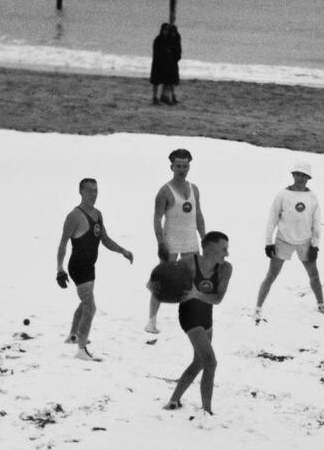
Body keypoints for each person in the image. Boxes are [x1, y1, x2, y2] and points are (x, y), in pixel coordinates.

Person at [55, 178, 133, 361]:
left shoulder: (98, 214)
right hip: (78, 267)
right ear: (80, 192)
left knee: (85, 301)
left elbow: (104, 239)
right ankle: (81, 350)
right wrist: (59, 268)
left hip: (90, 266)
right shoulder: (74, 215)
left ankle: (73, 336)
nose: (93, 194)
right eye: (89, 190)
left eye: (96, 190)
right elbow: (63, 242)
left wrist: (122, 250)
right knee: (90, 306)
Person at [157, 231, 232, 414]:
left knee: (199, 362)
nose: (227, 253)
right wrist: (156, 284)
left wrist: (196, 293)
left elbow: (218, 298)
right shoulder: (188, 263)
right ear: (210, 249)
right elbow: (166, 281)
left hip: (206, 315)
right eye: (223, 249)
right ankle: (207, 412)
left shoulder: (225, 269)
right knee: (210, 362)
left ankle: (174, 400)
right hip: (189, 315)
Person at [255, 159, 324, 321]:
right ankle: (258, 307)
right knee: (271, 275)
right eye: (298, 174)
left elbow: (316, 222)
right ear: (293, 175)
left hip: (305, 241)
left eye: (304, 175)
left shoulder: (312, 197)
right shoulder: (282, 194)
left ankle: (321, 304)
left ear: (308, 178)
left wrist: (315, 245)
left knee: (314, 275)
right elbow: (272, 219)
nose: (300, 178)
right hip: (284, 240)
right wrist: (268, 242)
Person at [147, 148, 205, 334]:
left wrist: (205, 238)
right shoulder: (165, 191)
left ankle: (194, 317)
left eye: (185, 166)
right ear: (172, 166)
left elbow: (198, 215)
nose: (182, 169)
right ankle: (152, 320)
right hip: (171, 240)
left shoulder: (194, 189)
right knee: (161, 280)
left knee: (194, 280)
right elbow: (157, 219)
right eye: (178, 166)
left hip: (190, 240)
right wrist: (160, 243)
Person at [150, 23, 182, 105]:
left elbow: (177, 52)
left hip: (168, 63)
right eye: (165, 30)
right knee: (157, 82)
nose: (166, 32)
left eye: (168, 30)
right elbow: (157, 52)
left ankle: (168, 97)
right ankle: (155, 97)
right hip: (158, 63)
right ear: (162, 30)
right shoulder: (158, 39)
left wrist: (172, 55)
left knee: (170, 81)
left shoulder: (172, 39)